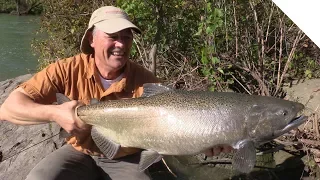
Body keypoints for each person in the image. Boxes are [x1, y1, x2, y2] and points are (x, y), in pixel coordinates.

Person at [0, 6, 232, 180]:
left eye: (127, 36)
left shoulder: (148, 84)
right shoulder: (65, 69)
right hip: (79, 151)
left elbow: (172, 132)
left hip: (127, 158)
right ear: (91, 39)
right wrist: (55, 113)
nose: (121, 43)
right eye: (113, 36)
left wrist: (204, 141)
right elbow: (9, 108)